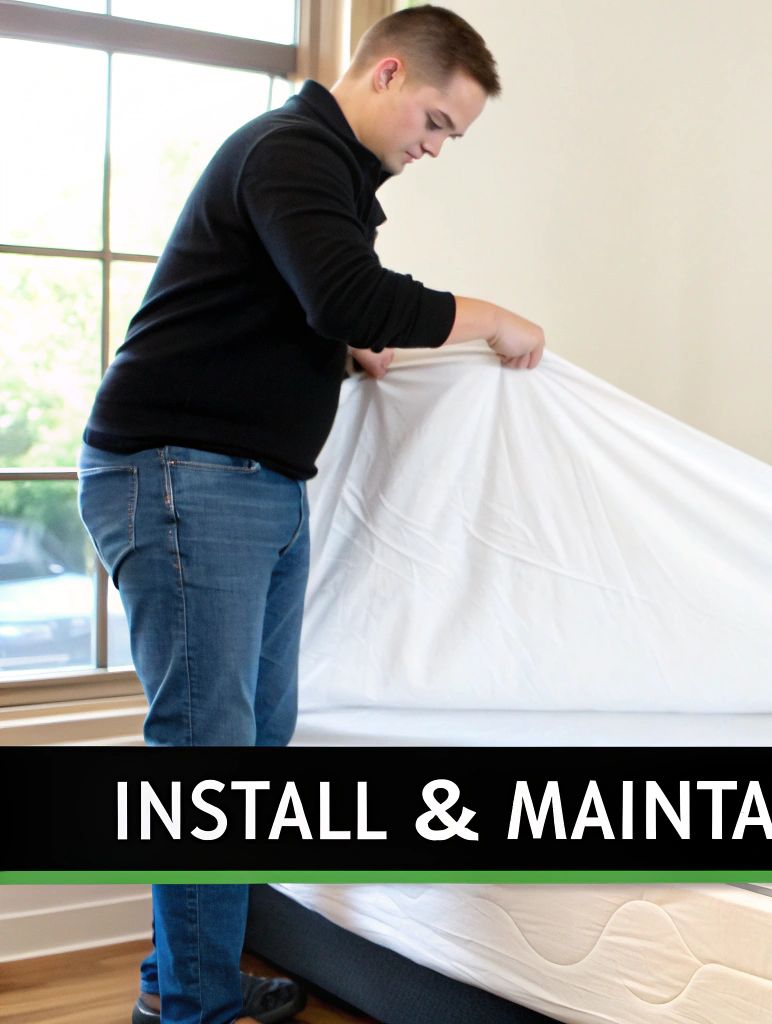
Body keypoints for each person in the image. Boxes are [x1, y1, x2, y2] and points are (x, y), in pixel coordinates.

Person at [76, 7, 544, 1024]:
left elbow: (278, 308)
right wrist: (490, 319)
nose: (434, 148)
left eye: (452, 136)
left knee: (251, 747)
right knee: (209, 760)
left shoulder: (322, 173)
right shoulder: (291, 150)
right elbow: (350, 296)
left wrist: (336, 347)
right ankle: (192, 1010)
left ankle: (186, 981)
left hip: (245, 484)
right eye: (435, 122)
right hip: (182, 476)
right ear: (387, 73)